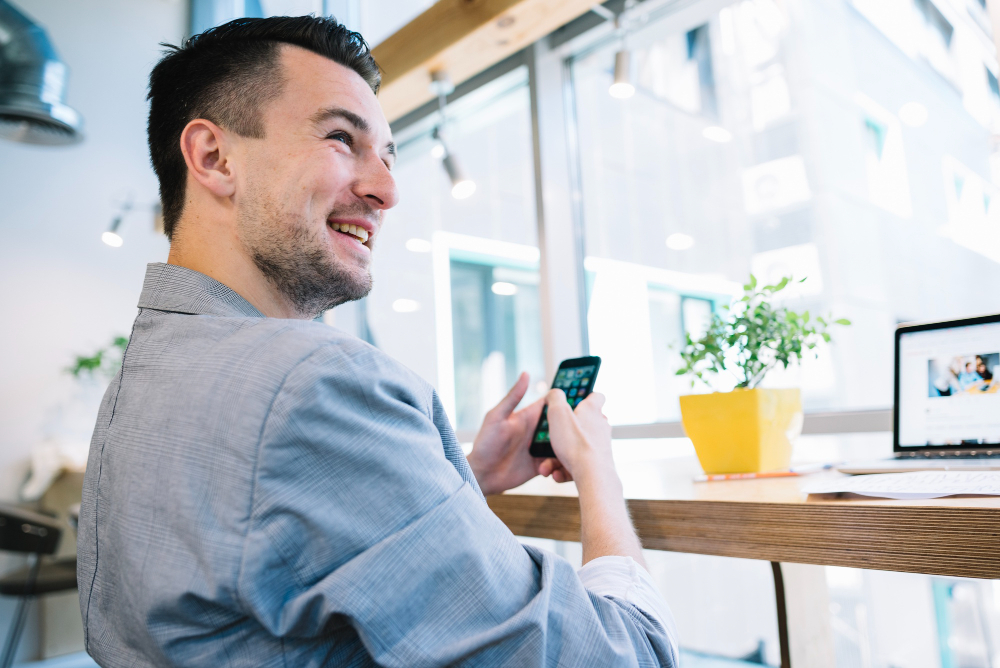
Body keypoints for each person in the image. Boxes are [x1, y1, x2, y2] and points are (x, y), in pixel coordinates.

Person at [76, 16, 678, 668]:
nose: (386, 190)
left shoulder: (145, 373)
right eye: (341, 138)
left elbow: (258, 541)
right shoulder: (315, 382)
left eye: (389, 156)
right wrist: (598, 471)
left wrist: (462, 478)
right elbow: (623, 658)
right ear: (215, 158)